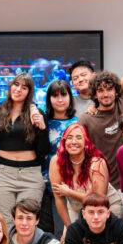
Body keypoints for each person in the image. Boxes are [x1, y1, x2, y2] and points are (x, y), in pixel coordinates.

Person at [0, 73, 49, 229]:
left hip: (30, 175)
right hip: (1, 174)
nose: (19, 89)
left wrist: (42, 128)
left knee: (26, 225)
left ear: (29, 92)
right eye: (16, 84)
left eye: (24, 87)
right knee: (2, 224)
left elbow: (43, 150)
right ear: (10, 86)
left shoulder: (37, 113)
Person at [49, 122, 123, 241]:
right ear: (64, 141)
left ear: (86, 142)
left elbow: (98, 201)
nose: (73, 141)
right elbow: (59, 199)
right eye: (69, 137)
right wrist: (69, 228)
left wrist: (69, 193)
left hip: (105, 208)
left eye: (79, 137)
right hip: (76, 209)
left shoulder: (96, 163)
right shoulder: (56, 162)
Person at [42, 79, 79, 233]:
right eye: (55, 96)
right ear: (49, 99)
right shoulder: (43, 122)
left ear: (70, 97)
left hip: (71, 184)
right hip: (45, 184)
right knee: (48, 231)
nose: (60, 100)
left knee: (68, 229)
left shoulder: (78, 122)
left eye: (64, 95)